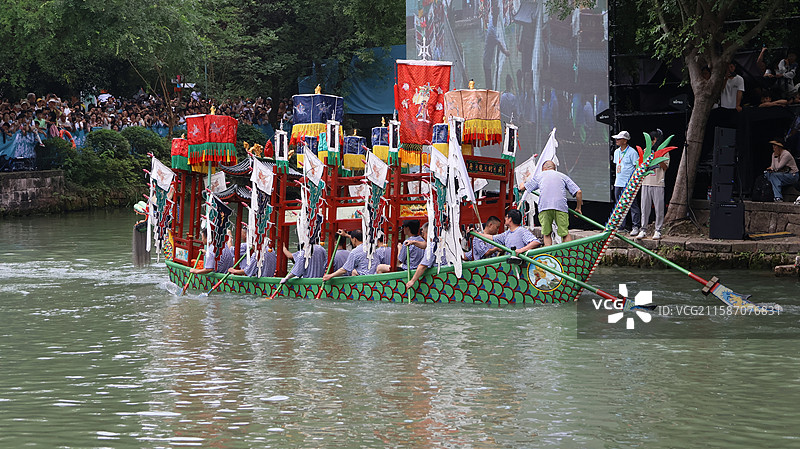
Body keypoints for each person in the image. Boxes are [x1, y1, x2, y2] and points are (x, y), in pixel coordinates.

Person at [521, 160, 582, 246]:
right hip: (560, 207)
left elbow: (522, 188)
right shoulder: (562, 176)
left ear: (543, 169)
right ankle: (567, 256)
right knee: (564, 233)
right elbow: (578, 192)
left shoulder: (540, 176)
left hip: (544, 207)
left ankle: (548, 257)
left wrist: (524, 179)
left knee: (547, 234)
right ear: (554, 168)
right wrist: (578, 208)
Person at [638, 129, 669, 240]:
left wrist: (658, 158)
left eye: (652, 140)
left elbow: (665, 167)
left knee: (659, 209)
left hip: (658, 183)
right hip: (646, 183)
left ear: (655, 140)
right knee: (644, 209)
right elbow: (640, 166)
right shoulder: (646, 150)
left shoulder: (664, 151)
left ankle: (658, 230)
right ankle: (643, 230)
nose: (651, 142)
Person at [611, 130, 641, 235]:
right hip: (618, 183)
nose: (616, 140)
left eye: (619, 139)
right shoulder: (616, 152)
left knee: (633, 205)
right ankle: (621, 226)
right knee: (619, 205)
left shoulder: (632, 152)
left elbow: (636, 167)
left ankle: (635, 226)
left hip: (629, 184)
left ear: (625, 140)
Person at [475, 209, 541, 254]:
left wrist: (521, 250)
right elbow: (492, 238)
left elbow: (536, 242)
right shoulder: (507, 233)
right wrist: (476, 233)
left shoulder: (521, 231)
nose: (505, 219)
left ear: (510, 219)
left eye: (506, 217)